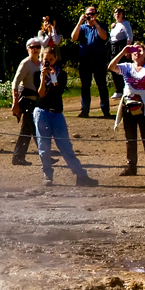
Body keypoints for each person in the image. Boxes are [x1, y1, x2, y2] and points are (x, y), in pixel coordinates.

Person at [32, 40, 98, 187]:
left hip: (56, 113)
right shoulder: (37, 74)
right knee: (44, 147)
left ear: (55, 59)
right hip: (42, 112)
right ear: (42, 59)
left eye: (51, 60)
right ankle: (47, 176)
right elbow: (41, 94)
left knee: (65, 146)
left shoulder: (61, 74)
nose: (48, 62)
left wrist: (54, 77)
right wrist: (43, 78)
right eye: (45, 60)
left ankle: (80, 175)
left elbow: (58, 92)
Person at [109, 40, 145, 177]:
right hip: (128, 105)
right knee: (130, 138)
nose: (137, 54)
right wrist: (123, 52)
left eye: (139, 51)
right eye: (134, 52)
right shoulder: (127, 67)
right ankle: (131, 166)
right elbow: (111, 66)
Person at [71, 4, 111, 119]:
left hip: (99, 59)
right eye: (88, 14)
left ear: (96, 15)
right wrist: (79, 22)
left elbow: (104, 37)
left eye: (92, 14)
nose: (90, 16)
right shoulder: (82, 28)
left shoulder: (102, 25)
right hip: (85, 60)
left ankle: (105, 110)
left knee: (102, 85)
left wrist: (96, 24)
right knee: (85, 86)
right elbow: (73, 37)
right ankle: (85, 110)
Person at [10, 38, 45, 165]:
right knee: (33, 129)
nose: (35, 49)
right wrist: (15, 102)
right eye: (32, 47)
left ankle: (19, 157)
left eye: (37, 46)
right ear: (27, 49)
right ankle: (43, 156)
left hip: (37, 101)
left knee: (29, 130)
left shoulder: (41, 63)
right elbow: (15, 83)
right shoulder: (26, 63)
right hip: (27, 101)